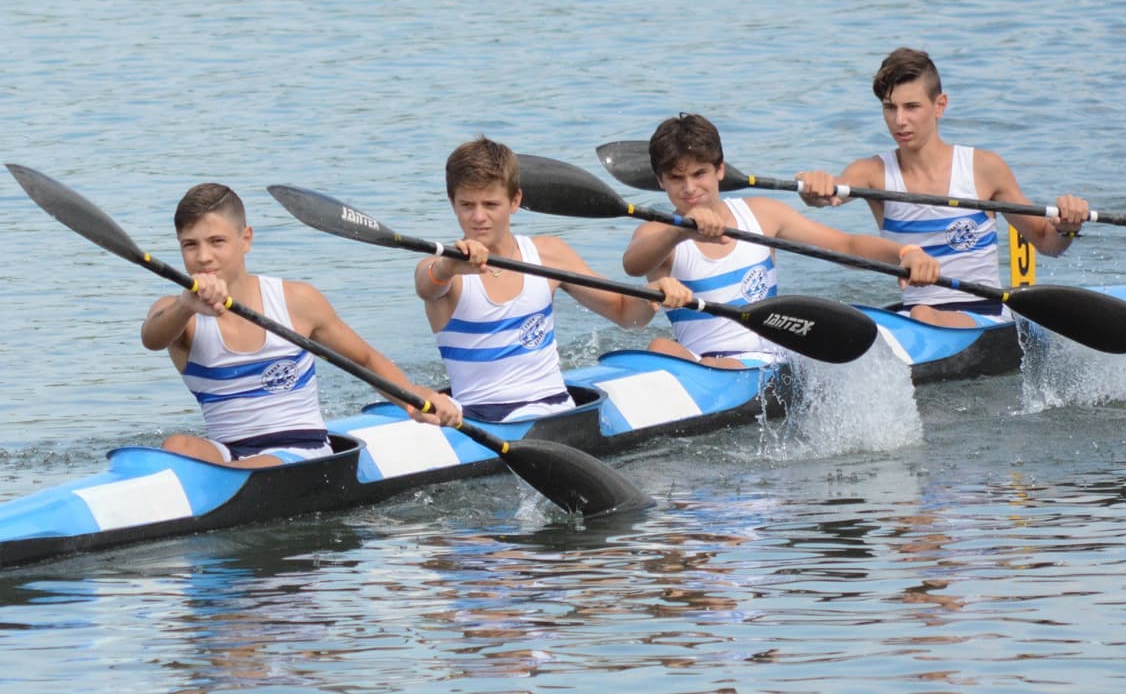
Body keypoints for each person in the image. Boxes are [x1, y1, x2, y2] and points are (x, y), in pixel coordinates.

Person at [142, 182, 461, 467]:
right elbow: (152, 338)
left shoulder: (296, 300)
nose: (203, 257)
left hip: (300, 454)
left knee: (257, 465)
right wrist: (186, 305)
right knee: (177, 446)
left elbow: (365, 359)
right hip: (228, 452)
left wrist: (416, 400)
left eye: (216, 241)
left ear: (246, 239)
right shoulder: (176, 312)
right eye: (190, 245)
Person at [798, 47, 1090, 328]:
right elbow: (829, 194)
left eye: (911, 107)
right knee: (921, 313)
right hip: (917, 316)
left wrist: (1066, 227)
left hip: (985, 314)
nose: (900, 121)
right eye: (890, 108)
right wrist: (815, 188)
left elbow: (1045, 242)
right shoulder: (872, 172)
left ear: (940, 105)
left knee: (923, 313)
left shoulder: (983, 168)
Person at [623, 112, 943, 368]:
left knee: (676, 353)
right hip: (698, 365)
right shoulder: (657, 232)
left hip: (765, 361)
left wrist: (906, 252)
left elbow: (845, 246)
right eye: (677, 179)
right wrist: (680, 231)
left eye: (699, 174)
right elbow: (633, 264)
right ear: (660, 181)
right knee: (659, 346)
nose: (690, 188)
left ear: (720, 170)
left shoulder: (762, 215)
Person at [416, 136, 693, 422]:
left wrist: (652, 295)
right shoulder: (443, 269)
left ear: (515, 201)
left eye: (490, 204)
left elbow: (625, 315)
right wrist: (449, 265)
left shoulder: (549, 255)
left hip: (558, 412)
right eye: (467, 205)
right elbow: (427, 283)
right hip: (483, 419)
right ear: (452, 203)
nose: (478, 217)